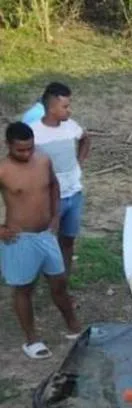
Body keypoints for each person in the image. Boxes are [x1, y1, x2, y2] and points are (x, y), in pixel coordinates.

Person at [0, 122, 82, 359]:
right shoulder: (3, 170)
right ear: (8, 146)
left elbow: (54, 186)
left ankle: (74, 327)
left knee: (59, 283)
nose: (26, 154)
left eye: (29, 148)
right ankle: (32, 340)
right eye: (20, 150)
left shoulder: (43, 160)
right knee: (24, 288)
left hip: (46, 234)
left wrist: (56, 215)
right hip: (19, 238)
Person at [30, 82, 91, 278]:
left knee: (68, 239)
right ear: (51, 107)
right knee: (46, 239)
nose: (69, 111)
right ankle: (45, 274)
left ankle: (63, 278)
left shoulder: (71, 127)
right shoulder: (34, 133)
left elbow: (85, 139)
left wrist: (79, 162)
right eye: (65, 106)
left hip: (74, 194)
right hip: (49, 198)